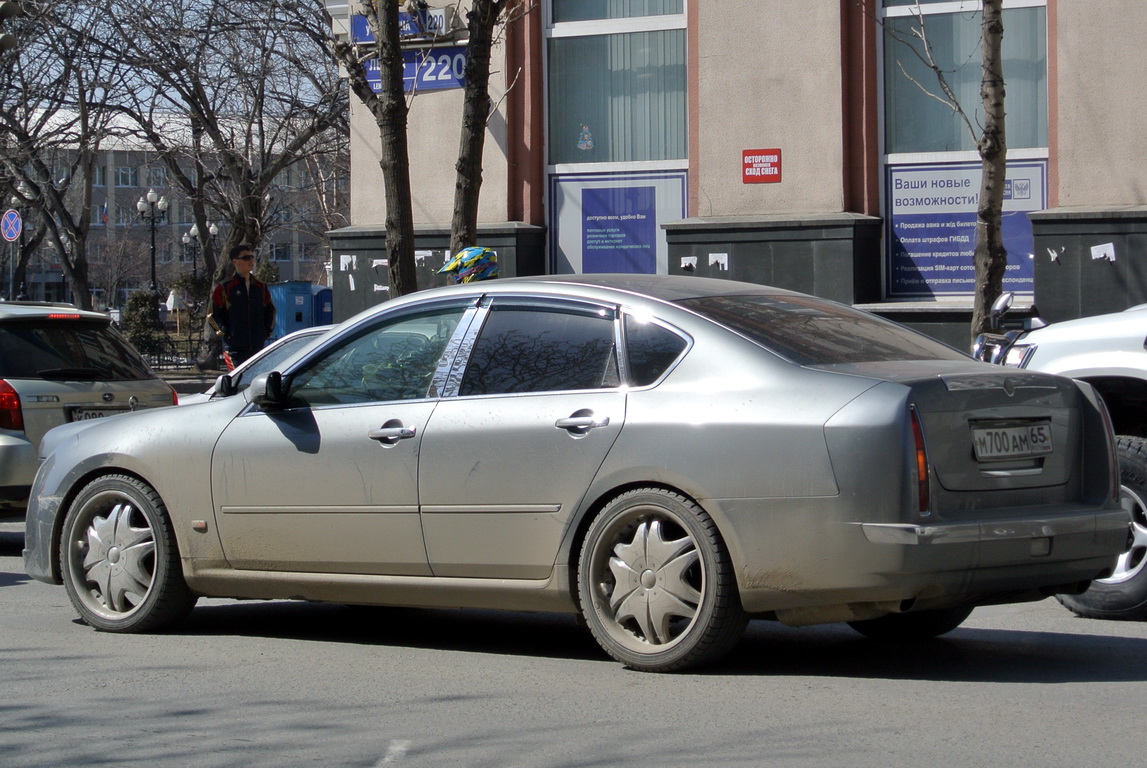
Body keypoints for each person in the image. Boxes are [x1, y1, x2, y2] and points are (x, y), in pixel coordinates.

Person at [210, 244, 276, 368]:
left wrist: (266, 331)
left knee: (255, 382)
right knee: (238, 381)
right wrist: (224, 331)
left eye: (252, 257)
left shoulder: (260, 286)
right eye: (246, 258)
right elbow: (212, 315)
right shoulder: (225, 287)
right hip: (234, 348)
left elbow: (270, 310)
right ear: (235, 261)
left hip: (257, 346)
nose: (251, 261)